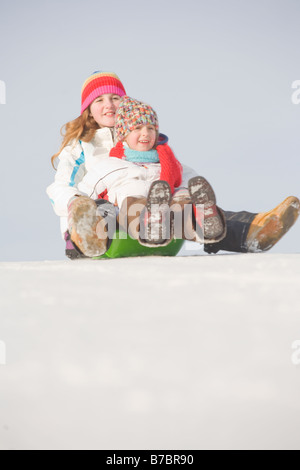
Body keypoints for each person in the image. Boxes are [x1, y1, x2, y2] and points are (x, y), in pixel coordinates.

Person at [46, 71, 300, 259]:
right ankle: (91, 235)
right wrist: (78, 206)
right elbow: (61, 187)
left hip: (160, 219)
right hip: (111, 224)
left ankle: (254, 231)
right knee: (103, 210)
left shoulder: (146, 140)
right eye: (100, 100)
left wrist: (190, 194)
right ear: (88, 110)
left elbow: (180, 173)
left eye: (115, 98)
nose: (109, 105)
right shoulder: (80, 147)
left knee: (197, 209)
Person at [70, 95, 226, 254]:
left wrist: (187, 197)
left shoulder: (170, 163)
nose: (145, 134)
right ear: (124, 134)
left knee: (182, 201)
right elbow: (85, 194)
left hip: (169, 217)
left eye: (151, 129)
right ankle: (151, 224)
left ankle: (204, 224)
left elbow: (190, 182)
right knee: (134, 204)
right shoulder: (111, 165)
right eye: (137, 128)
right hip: (128, 217)